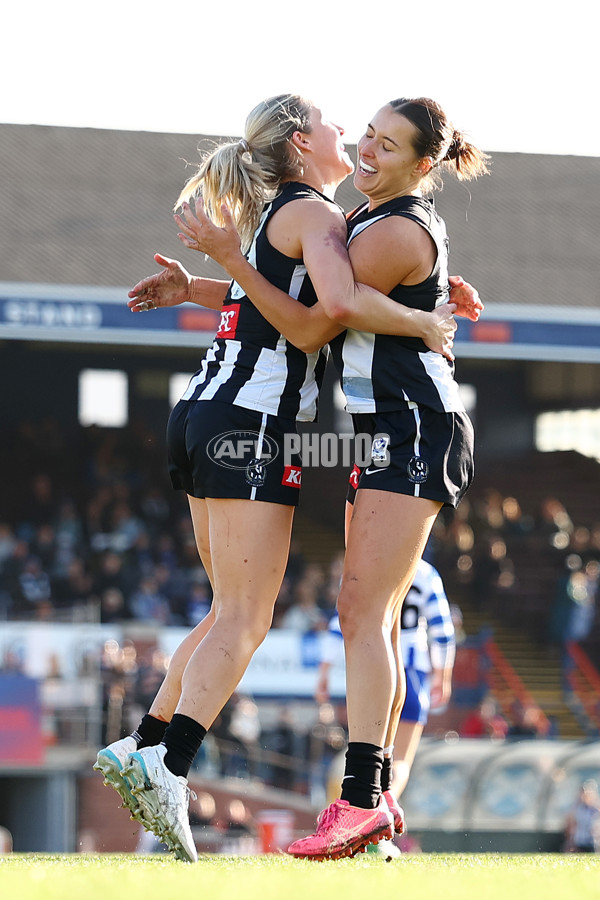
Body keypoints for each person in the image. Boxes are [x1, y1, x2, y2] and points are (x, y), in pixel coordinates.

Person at [94, 93, 481, 863]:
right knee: (282, 614)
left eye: (381, 139)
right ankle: (174, 761)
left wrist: (428, 295)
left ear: (420, 163)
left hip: (303, 420)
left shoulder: (339, 219)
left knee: (308, 611)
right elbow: (317, 307)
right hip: (271, 423)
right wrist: (425, 309)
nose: (363, 143)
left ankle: (172, 752)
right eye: (357, 131)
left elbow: (314, 300)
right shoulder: (329, 219)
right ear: (308, 144)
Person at [564, 781, 600, 853]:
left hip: (591, 841)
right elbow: (570, 823)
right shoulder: (577, 807)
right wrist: (570, 840)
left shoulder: (593, 808)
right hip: (579, 841)